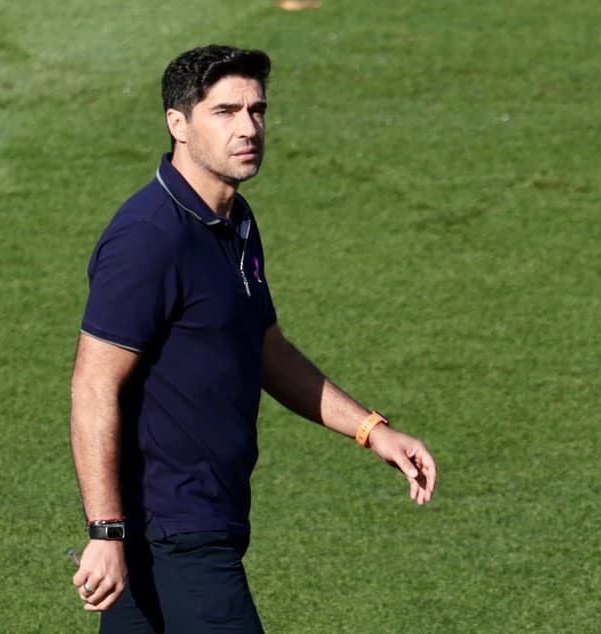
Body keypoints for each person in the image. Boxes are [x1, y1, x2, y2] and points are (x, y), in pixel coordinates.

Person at [70, 44, 437, 633]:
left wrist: (373, 431)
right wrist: (106, 532)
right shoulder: (149, 237)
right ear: (178, 124)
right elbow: (92, 384)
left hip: (201, 518)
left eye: (257, 110)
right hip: (174, 529)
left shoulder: (234, 221)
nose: (248, 128)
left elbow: (266, 348)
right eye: (225, 112)